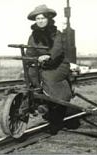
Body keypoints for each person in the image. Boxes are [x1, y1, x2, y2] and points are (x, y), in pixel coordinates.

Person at [26, 4, 73, 134]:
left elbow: (57, 50)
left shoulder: (57, 34)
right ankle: (39, 100)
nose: (40, 21)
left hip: (57, 64)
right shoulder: (33, 35)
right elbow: (30, 51)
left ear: (48, 18)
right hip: (40, 64)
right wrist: (29, 59)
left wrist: (48, 57)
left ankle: (58, 107)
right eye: (38, 19)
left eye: (42, 18)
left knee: (49, 77)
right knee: (28, 74)